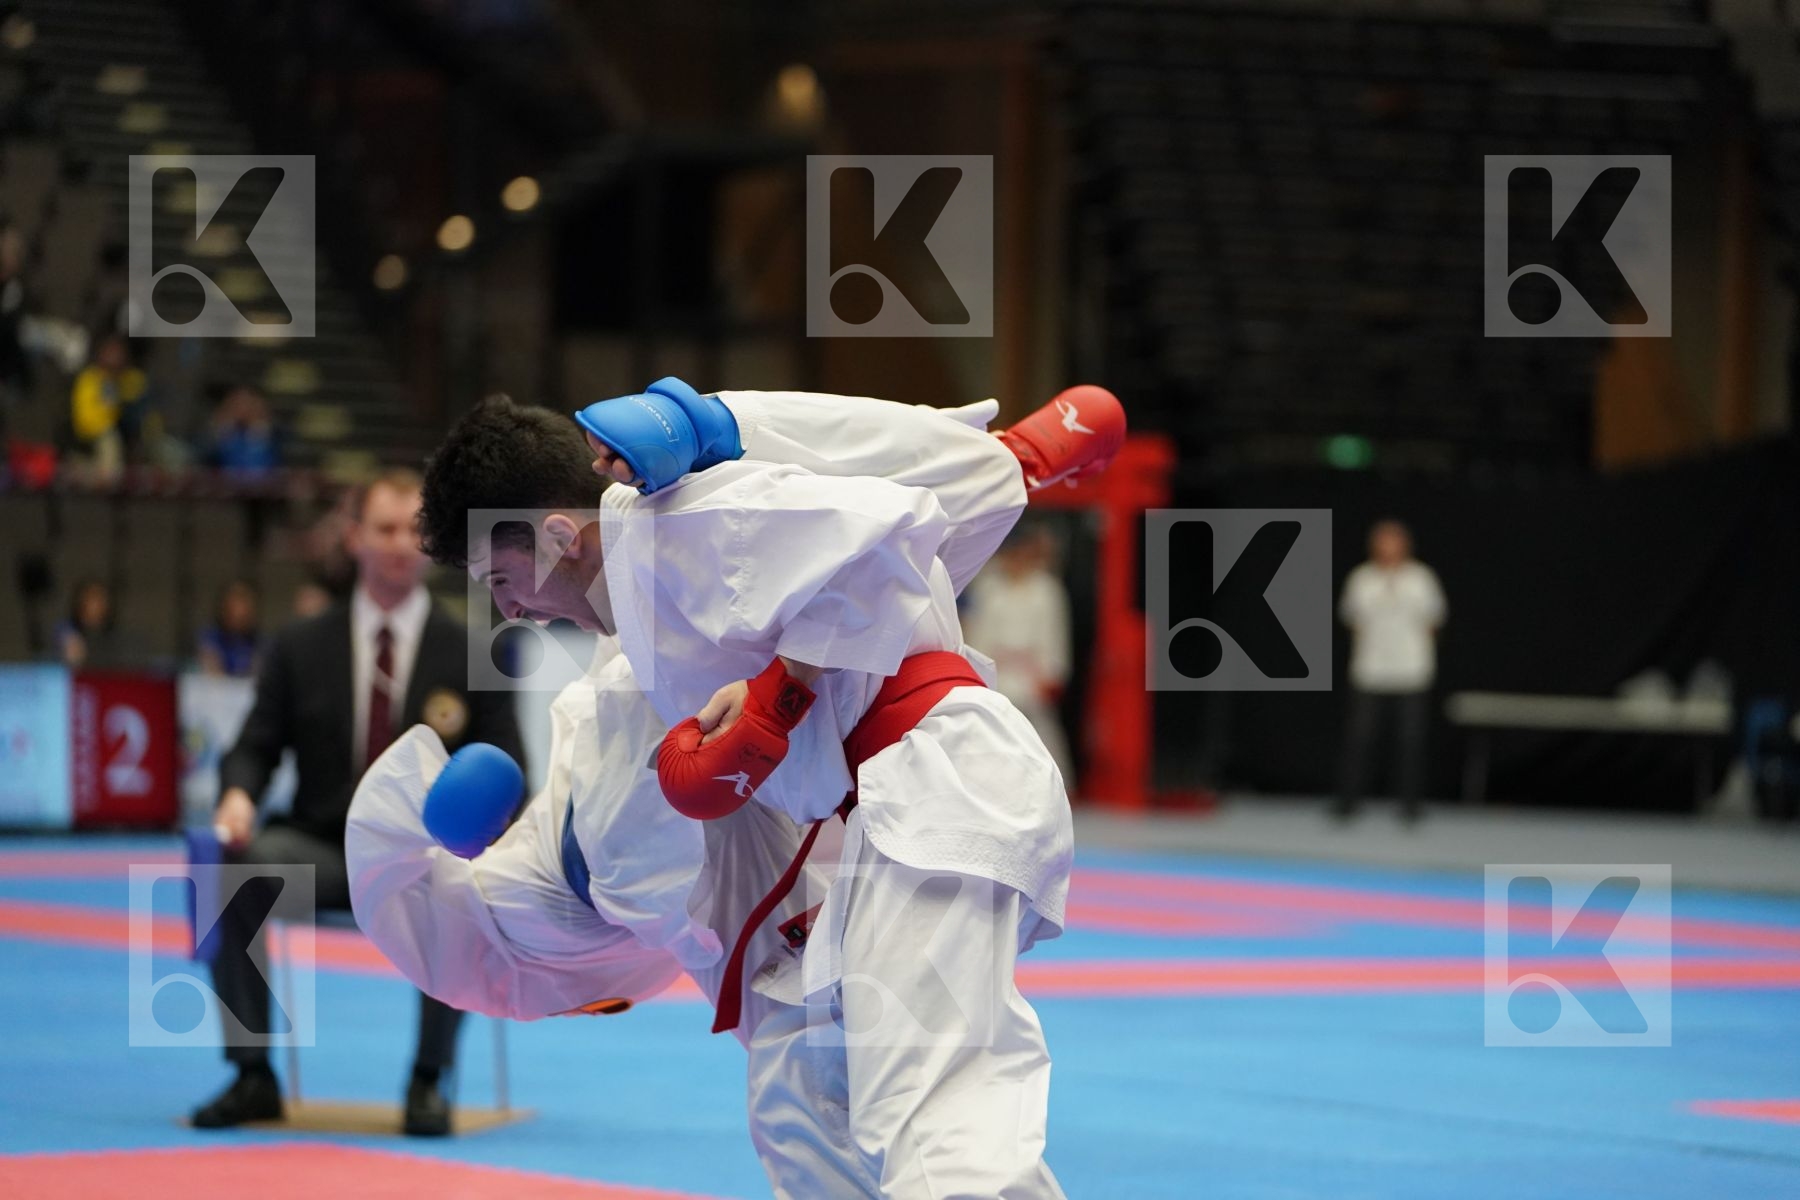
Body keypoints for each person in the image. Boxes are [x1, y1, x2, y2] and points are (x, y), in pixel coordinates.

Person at [412, 379, 1123, 1197]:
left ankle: (1013, 462)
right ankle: (1012, 463)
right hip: (894, 809)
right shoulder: (646, 599)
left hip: (935, 777)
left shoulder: (677, 523)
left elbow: (888, 538)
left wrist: (780, 690)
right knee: (842, 1091)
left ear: (557, 536)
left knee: (931, 1111)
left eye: (501, 579)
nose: (514, 611)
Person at [190, 468, 526, 1136]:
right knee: (231, 868)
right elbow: (255, 744)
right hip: (321, 847)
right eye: (385, 529)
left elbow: (511, 766)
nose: (401, 543)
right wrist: (236, 796)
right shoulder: (299, 645)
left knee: (459, 887)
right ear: (354, 539)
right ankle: (252, 1074)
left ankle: (429, 1080)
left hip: (422, 858)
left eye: (413, 530)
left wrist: (491, 832)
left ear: (430, 544)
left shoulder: (473, 651)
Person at [1333, 518, 1447, 823]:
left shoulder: (1421, 578)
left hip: (1411, 671)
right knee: (1359, 738)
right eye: (1383, 541)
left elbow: (1434, 620)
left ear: (1405, 545)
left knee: (1410, 740)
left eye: (1394, 541)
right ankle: (1348, 803)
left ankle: (1410, 806)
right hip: (1369, 670)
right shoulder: (1361, 578)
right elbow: (1351, 619)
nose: (1388, 548)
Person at [962, 521, 1075, 789]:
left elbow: (1054, 632)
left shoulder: (1046, 589)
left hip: (1030, 673)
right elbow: (977, 630)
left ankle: (1050, 784)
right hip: (994, 667)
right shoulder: (988, 587)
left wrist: (1052, 672)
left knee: (1039, 729)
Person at [68, 332, 145, 480]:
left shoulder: (125, 378)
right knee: (109, 440)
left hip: (125, 432)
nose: (115, 357)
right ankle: (91, 473)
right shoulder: (90, 378)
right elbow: (84, 416)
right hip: (94, 433)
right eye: (111, 352)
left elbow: (138, 391)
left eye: (119, 353)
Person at [203, 384, 281, 477]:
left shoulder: (272, 434)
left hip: (263, 485)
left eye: (248, 403)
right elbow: (209, 460)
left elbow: (262, 466)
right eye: (237, 403)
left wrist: (258, 432)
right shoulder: (219, 431)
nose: (242, 408)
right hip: (221, 485)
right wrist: (225, 431)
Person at [54, 577, 125, 669]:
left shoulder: (117, 637)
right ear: (80, 603)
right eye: (91, 598)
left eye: (101, 598)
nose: (96, 604)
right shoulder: (67, 632)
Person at [197, 579, 261, 678]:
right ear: (224, 610)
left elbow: (259, 675)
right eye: (234, 611)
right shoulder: (211, 637)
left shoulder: (259, 641)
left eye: (244, 614)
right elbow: (213, 674)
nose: (240, 614)